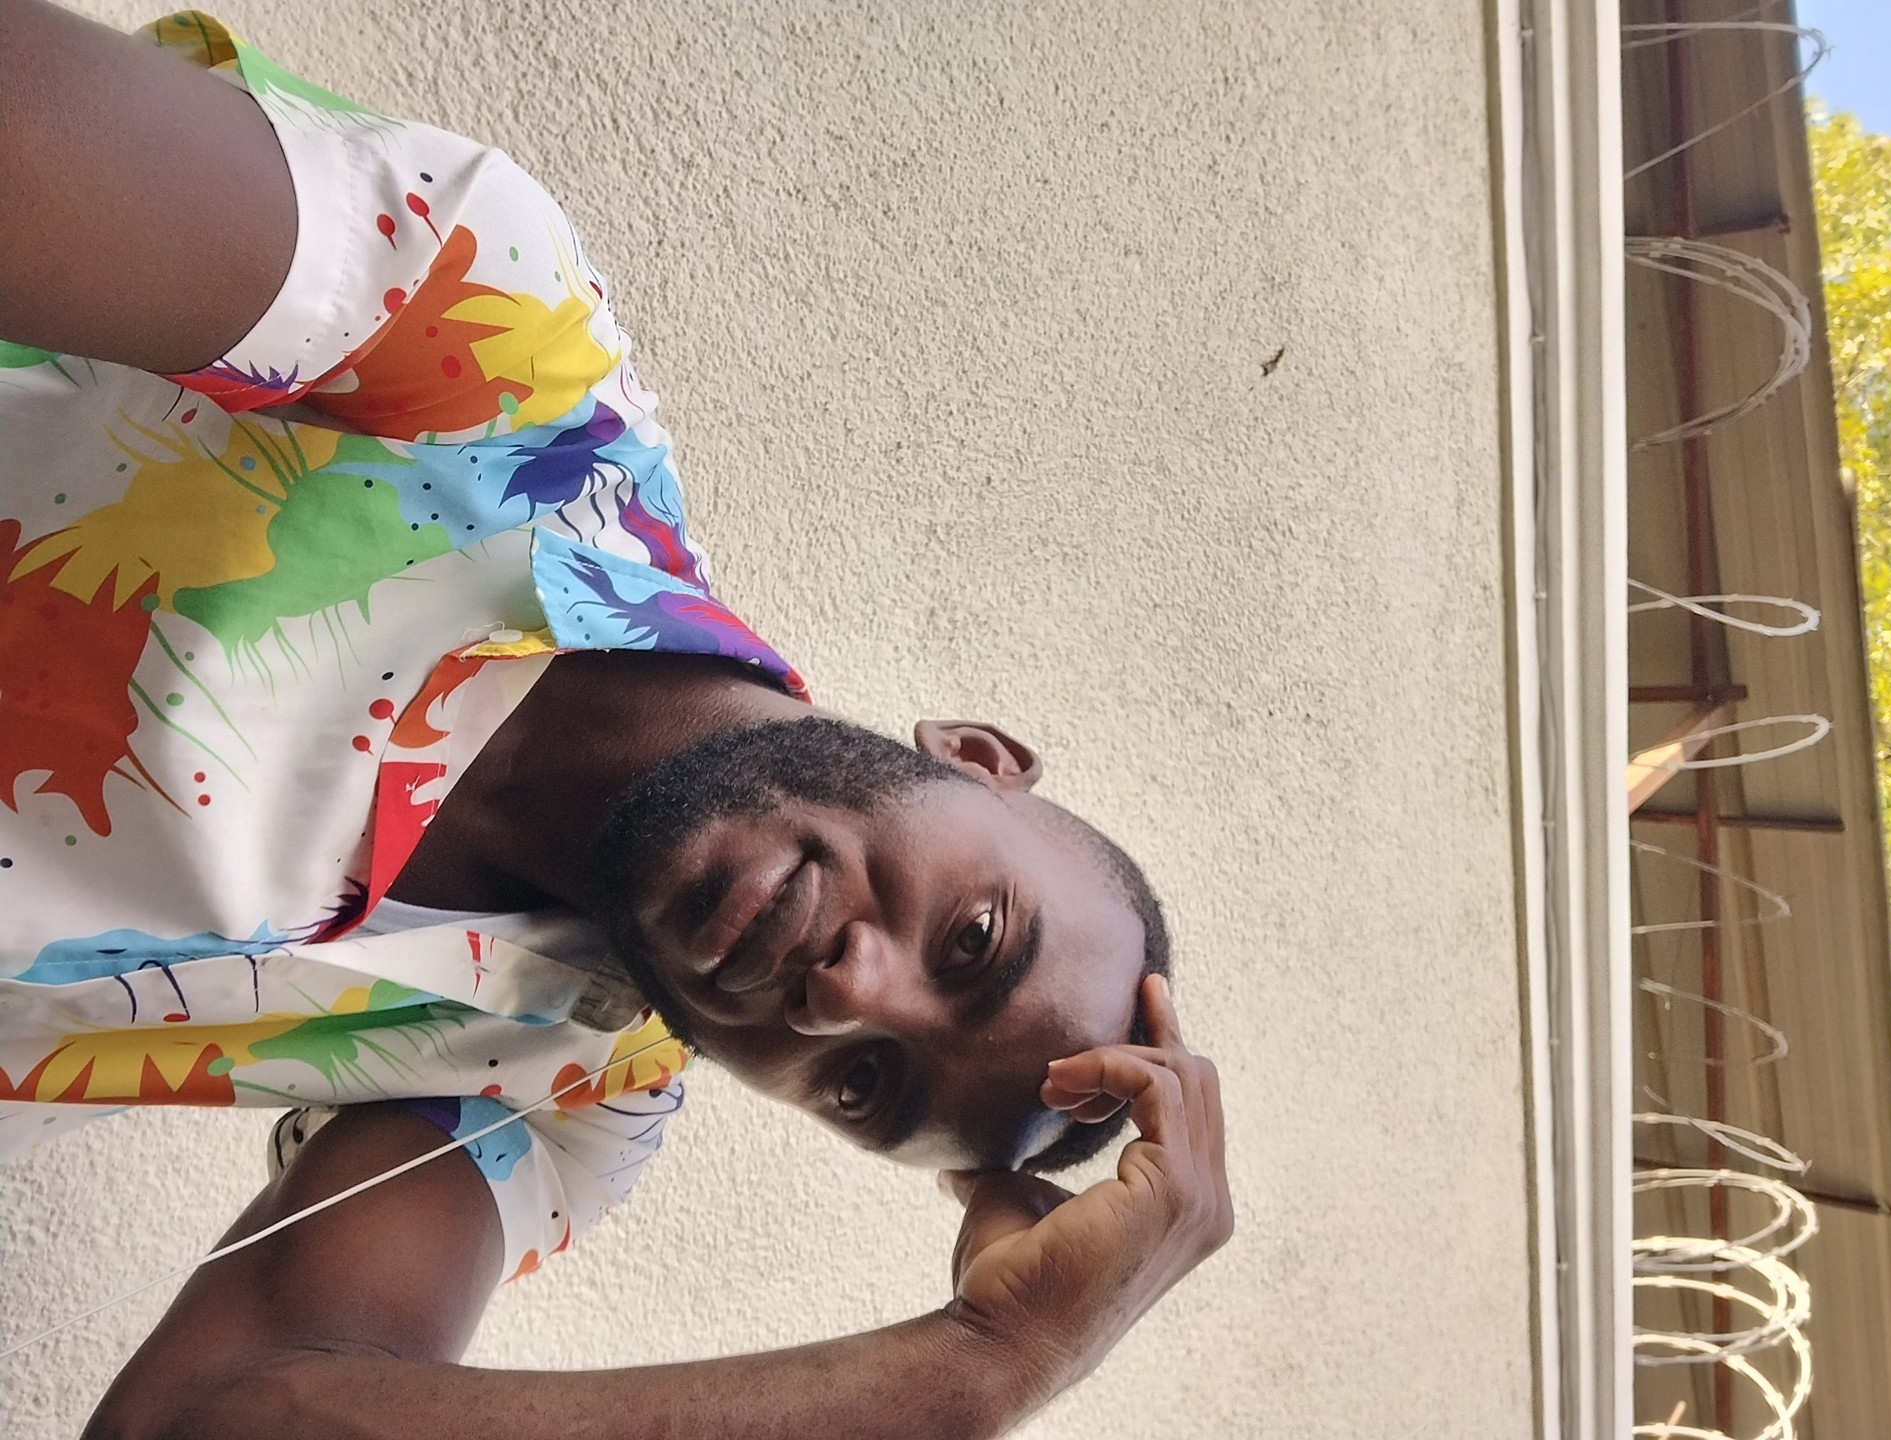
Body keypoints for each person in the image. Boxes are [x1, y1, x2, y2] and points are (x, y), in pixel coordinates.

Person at [0, 3, 1233, 1436]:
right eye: (972, 941)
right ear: (976, 758)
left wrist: (977, 1371)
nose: (848, 996)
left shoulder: (566, 1096)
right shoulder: (504, 361)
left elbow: (196, 1424)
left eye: (861, 1087)